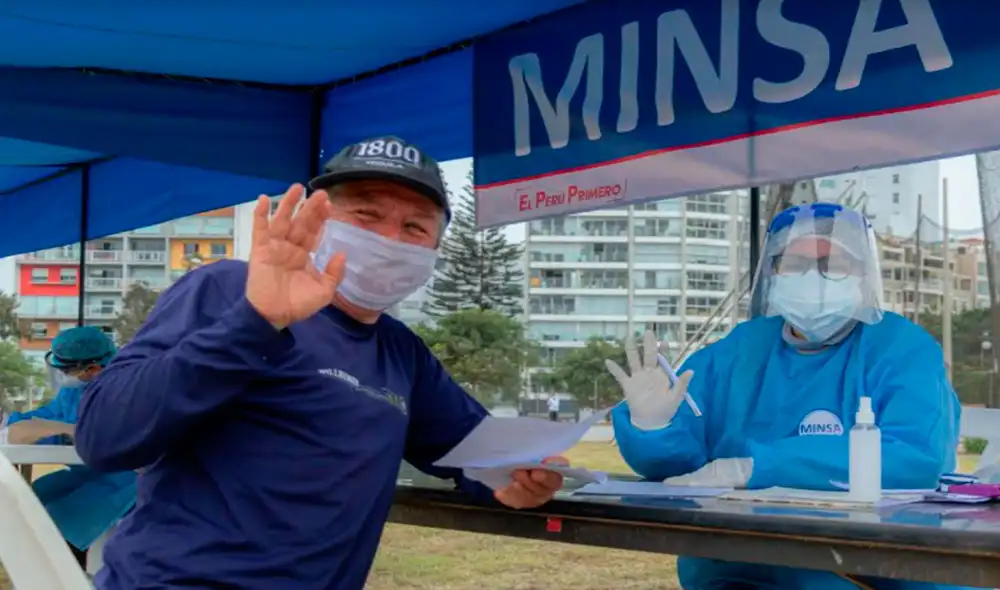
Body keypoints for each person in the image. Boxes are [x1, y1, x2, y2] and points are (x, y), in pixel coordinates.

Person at [75, 136, 567, 590]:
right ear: (320, 218)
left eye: (415, 227)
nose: (390, 239)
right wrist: (255, 322)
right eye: (366, 214)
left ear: (435, 252)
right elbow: (105, 435)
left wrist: (515, 480)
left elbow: (474, 450)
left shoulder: (400, 352)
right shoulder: (226, 290)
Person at [606, 203, 977, 590]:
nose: (813, 277)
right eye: (796, 264)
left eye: (832, 263)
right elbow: (679, 471)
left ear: (863, 275)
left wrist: (754, 469)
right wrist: (652, 427)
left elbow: (916, 458)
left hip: (877, 569)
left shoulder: (901, 348)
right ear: (773, 272)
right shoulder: (739, 351)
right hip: (736, 565)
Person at [0, 326, 136, 569]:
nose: (63, 375)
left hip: (125, 482)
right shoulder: (72, 394)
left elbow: (112, 437)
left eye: (67, 369)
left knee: (67, 520)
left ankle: (74, 575)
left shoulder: (126, 390)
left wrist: (64, 429)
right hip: (86, 476)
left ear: (92, 368)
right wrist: (15, 424)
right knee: (35, 499)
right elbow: (33, 424)